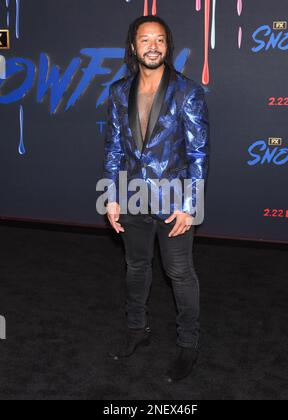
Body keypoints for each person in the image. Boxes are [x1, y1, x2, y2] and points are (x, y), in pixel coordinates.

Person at [102, 15, 209, 382]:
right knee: (136, 267)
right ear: (133, 46)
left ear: (167, 46)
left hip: (175, 197)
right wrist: (111, 196)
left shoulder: (187, 91)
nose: (152, 46)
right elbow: (114, 147)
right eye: (145, 39)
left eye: (159, 40)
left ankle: (188, 346)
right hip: (131, 194)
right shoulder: (119, 91)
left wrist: (191, 206)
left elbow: (198, 154)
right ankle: (136, 331)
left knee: (179, 273)